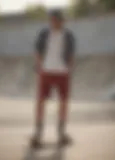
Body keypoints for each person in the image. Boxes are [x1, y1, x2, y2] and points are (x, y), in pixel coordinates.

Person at [31, 9, 75, 148]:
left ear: (61, 20)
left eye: (56, 19)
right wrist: (39, 66)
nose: (53, 21)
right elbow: (38, 49)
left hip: (62, 72)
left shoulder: (68, 35)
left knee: (63, 101)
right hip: (47, 71)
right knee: (41, 101)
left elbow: (71, 53)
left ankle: (61, 133)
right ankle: (38, 133)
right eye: (52, 19)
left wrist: (69, 69)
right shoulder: (44, 33)